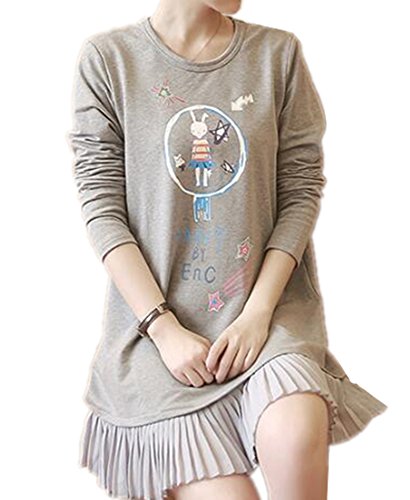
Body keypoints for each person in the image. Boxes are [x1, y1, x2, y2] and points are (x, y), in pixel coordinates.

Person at [67, 1, 388, 499]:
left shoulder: (277, 54)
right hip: (157, 338)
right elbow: (103, 209)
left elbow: (300, 189)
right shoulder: (109, 60)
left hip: (265, 320)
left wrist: (257, 314)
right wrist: (163, 328)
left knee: (295, 431)